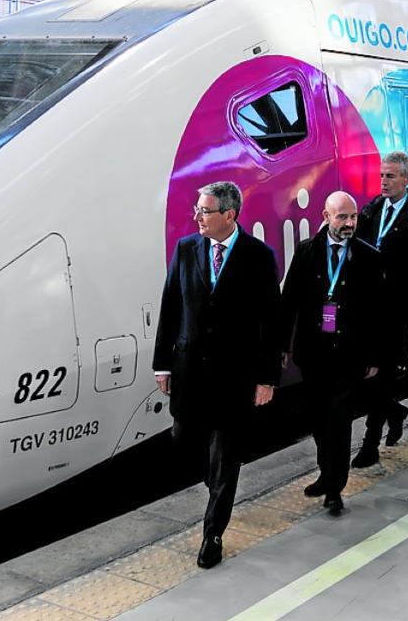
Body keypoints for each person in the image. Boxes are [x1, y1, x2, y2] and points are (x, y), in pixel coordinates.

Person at [152, 181, 282, 569]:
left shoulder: (259, 256)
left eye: (204, 211)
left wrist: (266, 378)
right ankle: (214, 488)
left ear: (229, 215)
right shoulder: (187, 249)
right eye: (198, 209)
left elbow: (270, 322)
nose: (197, 217)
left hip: (234, 377)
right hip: (190, 371)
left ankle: (213, 534)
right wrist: (163, 363)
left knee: (226, 458)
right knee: (185, 439)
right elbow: (171, 305)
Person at [281, 192, 383, 514]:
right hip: (313, 356)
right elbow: (289, 302)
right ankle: (326, 473)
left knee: (339, 422)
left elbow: (378, 311)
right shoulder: (307, 252)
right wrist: (282, 345)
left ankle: (335, 486)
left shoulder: (368, 257)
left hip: (349, 357)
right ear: (326, 216)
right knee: (318, 420)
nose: (350, 223)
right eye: (342, 217)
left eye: (353, 217)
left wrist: (374, 356)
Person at [353, 151, 408, 468]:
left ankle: (369, 444)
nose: (383, 181)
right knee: (366, 377)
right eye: (382, 175)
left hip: (396, 311)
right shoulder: (372, 210)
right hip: (367, 309)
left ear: (406, 179)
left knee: (382, 377)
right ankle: (395, 411)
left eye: (390, 176)